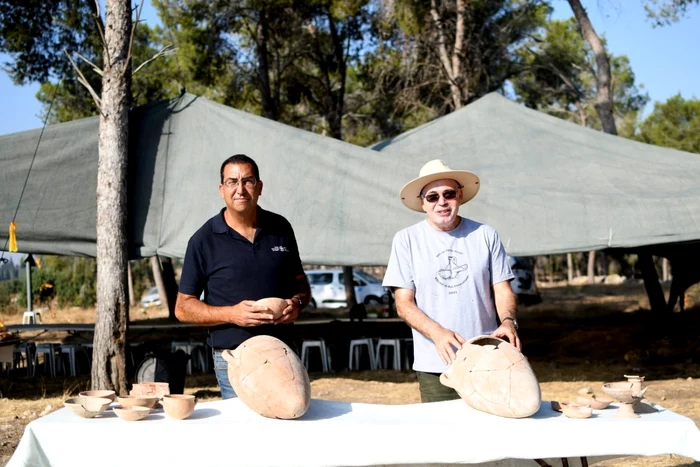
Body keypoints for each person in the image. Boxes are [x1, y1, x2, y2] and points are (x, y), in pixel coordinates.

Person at [383, 159, 520, 403]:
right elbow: (403, 304)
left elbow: (503, 289)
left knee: (492, 433)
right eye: (432, 197)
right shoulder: (407, 240)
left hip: (487, 358)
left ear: (460, 195)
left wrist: (509, 321)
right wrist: (437, 333)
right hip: (436, 363)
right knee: (442, 436)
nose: (442, 202)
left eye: (448, 194)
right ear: (423, 203)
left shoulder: (485, 235)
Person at [175, 154, 311, 399]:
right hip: (234, 358)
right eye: (232, 182)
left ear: (259, 187)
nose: (240, 189)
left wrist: (297, 304)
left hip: (282, 352)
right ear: (221, 189)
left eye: (248, 181)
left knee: (287, 428)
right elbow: (183, 308)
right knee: (242, 431)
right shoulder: (203, 240)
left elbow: (301, 284)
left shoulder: (280, 228)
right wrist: (232, 314)